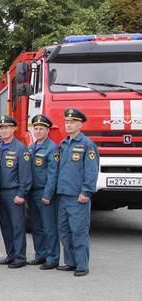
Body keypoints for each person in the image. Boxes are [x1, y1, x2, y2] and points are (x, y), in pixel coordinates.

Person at [55, 109, 99, 276]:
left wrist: (86, 191)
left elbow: (91, 170)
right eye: (67, 122)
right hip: (63, 194)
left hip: (77, 195)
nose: (69, 124)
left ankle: (82, 265)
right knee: (64, 230)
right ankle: (71, 262)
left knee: (78, 230)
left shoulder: (87, 144)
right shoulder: (63, 144)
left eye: (73, 122)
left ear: (80, 124)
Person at [0, 115, 32, 268]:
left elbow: (25, 174)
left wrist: (21, 193)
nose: (4, 131)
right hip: (1, 193)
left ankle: (20, 257)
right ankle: (10, 254)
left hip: (14, 193)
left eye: (6, 128)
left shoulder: (20, 148)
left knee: (17, 226)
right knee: (6, 226)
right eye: (1, 128)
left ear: (13, 129)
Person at [26, 115, 61, 269]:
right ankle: (40, 254)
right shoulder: (32, 148)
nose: (38, 131)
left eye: (41, 129)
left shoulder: (52, 148)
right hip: (32, 192)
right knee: (36, 226)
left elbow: (53, 174)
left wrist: (48, 194)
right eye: (36, 128)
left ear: (47, 130)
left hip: (44, 193)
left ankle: (52, 258)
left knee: (49, 226)